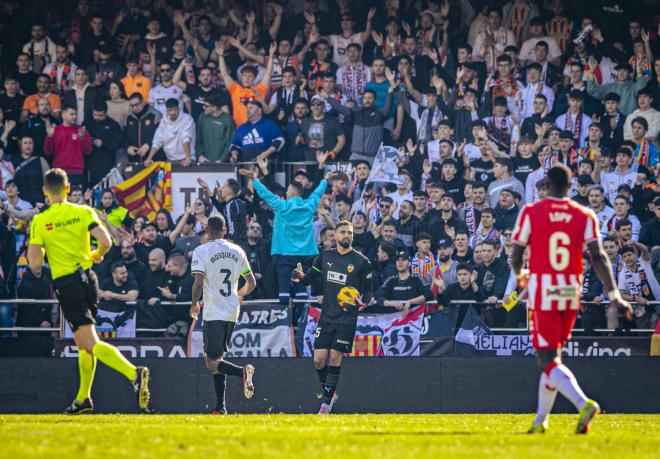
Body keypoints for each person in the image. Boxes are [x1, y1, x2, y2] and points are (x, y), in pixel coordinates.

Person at [511, 163, 632, 434]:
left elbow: (517, 253)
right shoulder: (584, 213)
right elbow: (598, 256)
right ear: (570, 186)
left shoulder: (531, 212)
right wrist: (613, 294)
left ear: (547, 186)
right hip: (570, 291)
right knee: (553, 357)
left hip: (543, 291)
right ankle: (540, 422)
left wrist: (521, 275)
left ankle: (583, 403)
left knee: (546, 359)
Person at [27, 168, 150, 414]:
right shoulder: (83, 211)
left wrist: (43, 251)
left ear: (45, 191)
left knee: (90, 342)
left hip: (67, 284)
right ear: (68, 188)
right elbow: (106, 241)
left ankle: (133, 373)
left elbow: (35, 264)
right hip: (89, 280)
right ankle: (83, 398)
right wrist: (95, 255)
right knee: (83, 343)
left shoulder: (40, 220)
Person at [293, 220, 373, 415]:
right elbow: (311, 278)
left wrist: (363, 303)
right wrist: (301, 278)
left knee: (335, 357)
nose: (347, 235)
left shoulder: (362, 262)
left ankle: (326, 404)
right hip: (327, 316)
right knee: (319, 360)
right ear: (335, 235)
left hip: (347, 317)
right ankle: (331, 391)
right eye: (344, 232)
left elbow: (369, 292)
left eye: (350, 233)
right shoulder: (325, 256)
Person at [190, 215, 257, 415]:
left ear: (207, 230)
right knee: (218, 359)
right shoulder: (238, 251)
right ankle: (221, 407)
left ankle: (242, 372)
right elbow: (251, 283)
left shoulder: (202, 250)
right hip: (231, 310)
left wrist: (194, 303)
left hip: (213, 311)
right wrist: (240, 294)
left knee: (211, 362)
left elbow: (198, 282)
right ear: (225, 229)